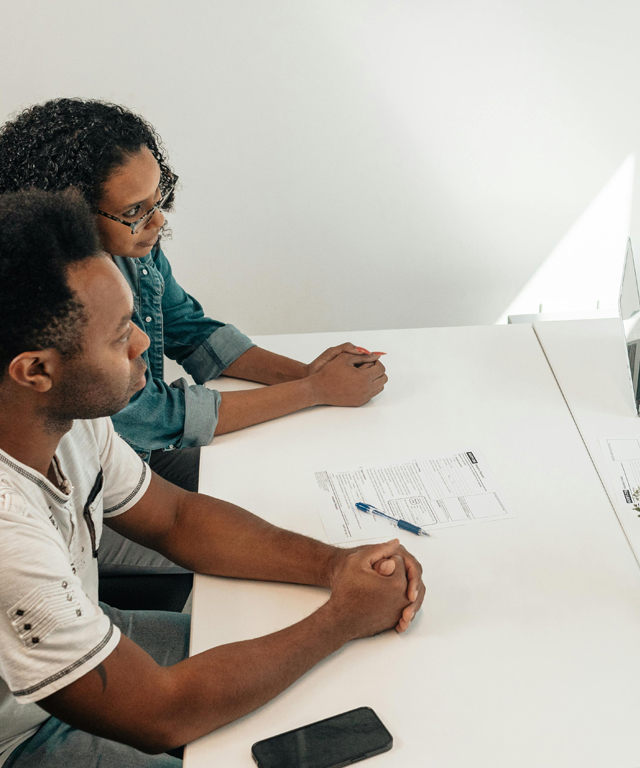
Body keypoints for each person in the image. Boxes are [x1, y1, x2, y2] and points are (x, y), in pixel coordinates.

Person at [0, 189, 425, 767]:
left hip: (79, 645)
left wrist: (336, 566)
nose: (144, 344)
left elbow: (175, 517)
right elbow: (157, 714)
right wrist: (341, 618)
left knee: (350, 676)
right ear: (37, 371)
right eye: (120, 334)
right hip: (19, 740)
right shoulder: (7, 533)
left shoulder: (65, 418)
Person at [0, 98, 388, 578]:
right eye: (136, 210)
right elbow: (149, 414)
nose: (159, 221)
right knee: (250, 553)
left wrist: (312, 374)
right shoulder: (45, 303)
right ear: (70, 213)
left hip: (133, 471)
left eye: (159, 199)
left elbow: (189, 328)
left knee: (285, 512)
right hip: (94, 500)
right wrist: (312, 391)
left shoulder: (136, 253)